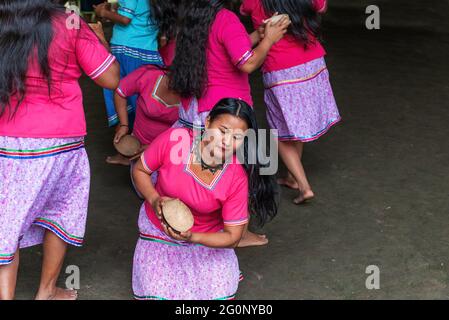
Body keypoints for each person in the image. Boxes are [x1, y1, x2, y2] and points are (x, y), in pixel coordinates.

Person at [0, 0, 119, 300]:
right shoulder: (70, 23)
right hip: (61, 140)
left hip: (7, 140)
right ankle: (47, 292)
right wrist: (101, 41)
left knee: (7, 222)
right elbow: (110, 78)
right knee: (60, 212)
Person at [131, 98, 278, 300]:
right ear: (208, 122)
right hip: (160, 233)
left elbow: (233, 237)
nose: (226, 142)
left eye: (237, 137)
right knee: (158, 291)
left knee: (215, 293)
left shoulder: (236, 177)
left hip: (205, 240)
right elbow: (140, 170)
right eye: (222, 130)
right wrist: (154, 199)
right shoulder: (176, 139)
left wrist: (193, 237)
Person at [241, 0, 341, 204]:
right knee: (296, 122)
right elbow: (321, 7)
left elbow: (243, 9)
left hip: (281, 69)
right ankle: (291, 177)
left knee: (279, 132)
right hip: (312, 63)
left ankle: (304, 187)